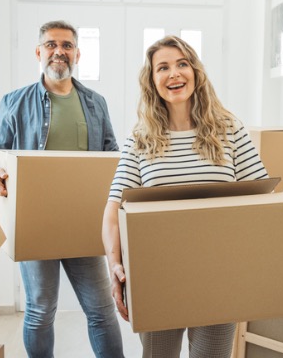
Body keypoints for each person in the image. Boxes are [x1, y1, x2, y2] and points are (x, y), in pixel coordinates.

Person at [102, 35, 268, 358]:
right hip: (156, 275)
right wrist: (114, 265)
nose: (174, 74)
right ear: (152, 81)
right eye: (162, 67)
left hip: (220, 276)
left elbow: (262, 198)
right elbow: (112, 211)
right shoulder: (140, 138)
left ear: (196, 72)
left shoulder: (229, 129)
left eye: (182, 64)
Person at [0, 20, 124, 358]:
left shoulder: (95, 103)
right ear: (39, 52)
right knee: (41, 311)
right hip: (35, 225)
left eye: (67, 45)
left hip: (85, 222)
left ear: (77, 54)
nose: (60, 51)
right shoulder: (14, 102)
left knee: (101, 310)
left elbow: (113, 156)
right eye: (52, 44)